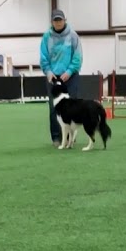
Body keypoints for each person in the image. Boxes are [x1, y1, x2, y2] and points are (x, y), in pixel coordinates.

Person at [39, 9, 83, 147]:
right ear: (52, 22)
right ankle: (56, 138)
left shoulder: (73, 35)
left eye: (60, 20)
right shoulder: (46, 37)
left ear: (65, 20)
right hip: (53, 77)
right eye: (55, 20)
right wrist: (48, 71)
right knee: (54, 108)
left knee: (72, 107)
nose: (58, 22)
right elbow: (43, 56)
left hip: (70, 76)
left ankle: (70, 137)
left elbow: (77, 56)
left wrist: (69, 71)